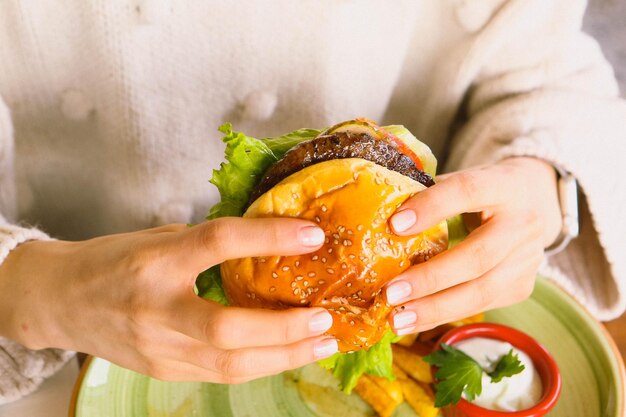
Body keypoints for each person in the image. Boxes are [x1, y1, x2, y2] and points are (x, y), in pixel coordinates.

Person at [0, 0, 625, 404]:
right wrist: (28, 290)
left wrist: (549, 185)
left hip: (405, 288)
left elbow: (543, 74)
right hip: (42, 366)